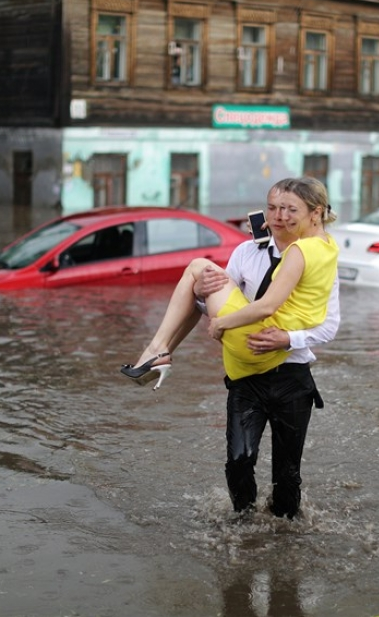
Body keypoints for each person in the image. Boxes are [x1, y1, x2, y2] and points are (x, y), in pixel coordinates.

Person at [121, 177, 340, 519]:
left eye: (288, 210)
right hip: (245, 378)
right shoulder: (245, 253)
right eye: (272, 207)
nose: (278, 216)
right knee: (239, 460)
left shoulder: (314, 257)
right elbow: (218, 311)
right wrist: (200, 293)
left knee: (288, 476)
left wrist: (288, 339)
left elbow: (329, 326)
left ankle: (283, 537)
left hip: (292, 377)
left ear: (312, 213)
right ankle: (244, 523)